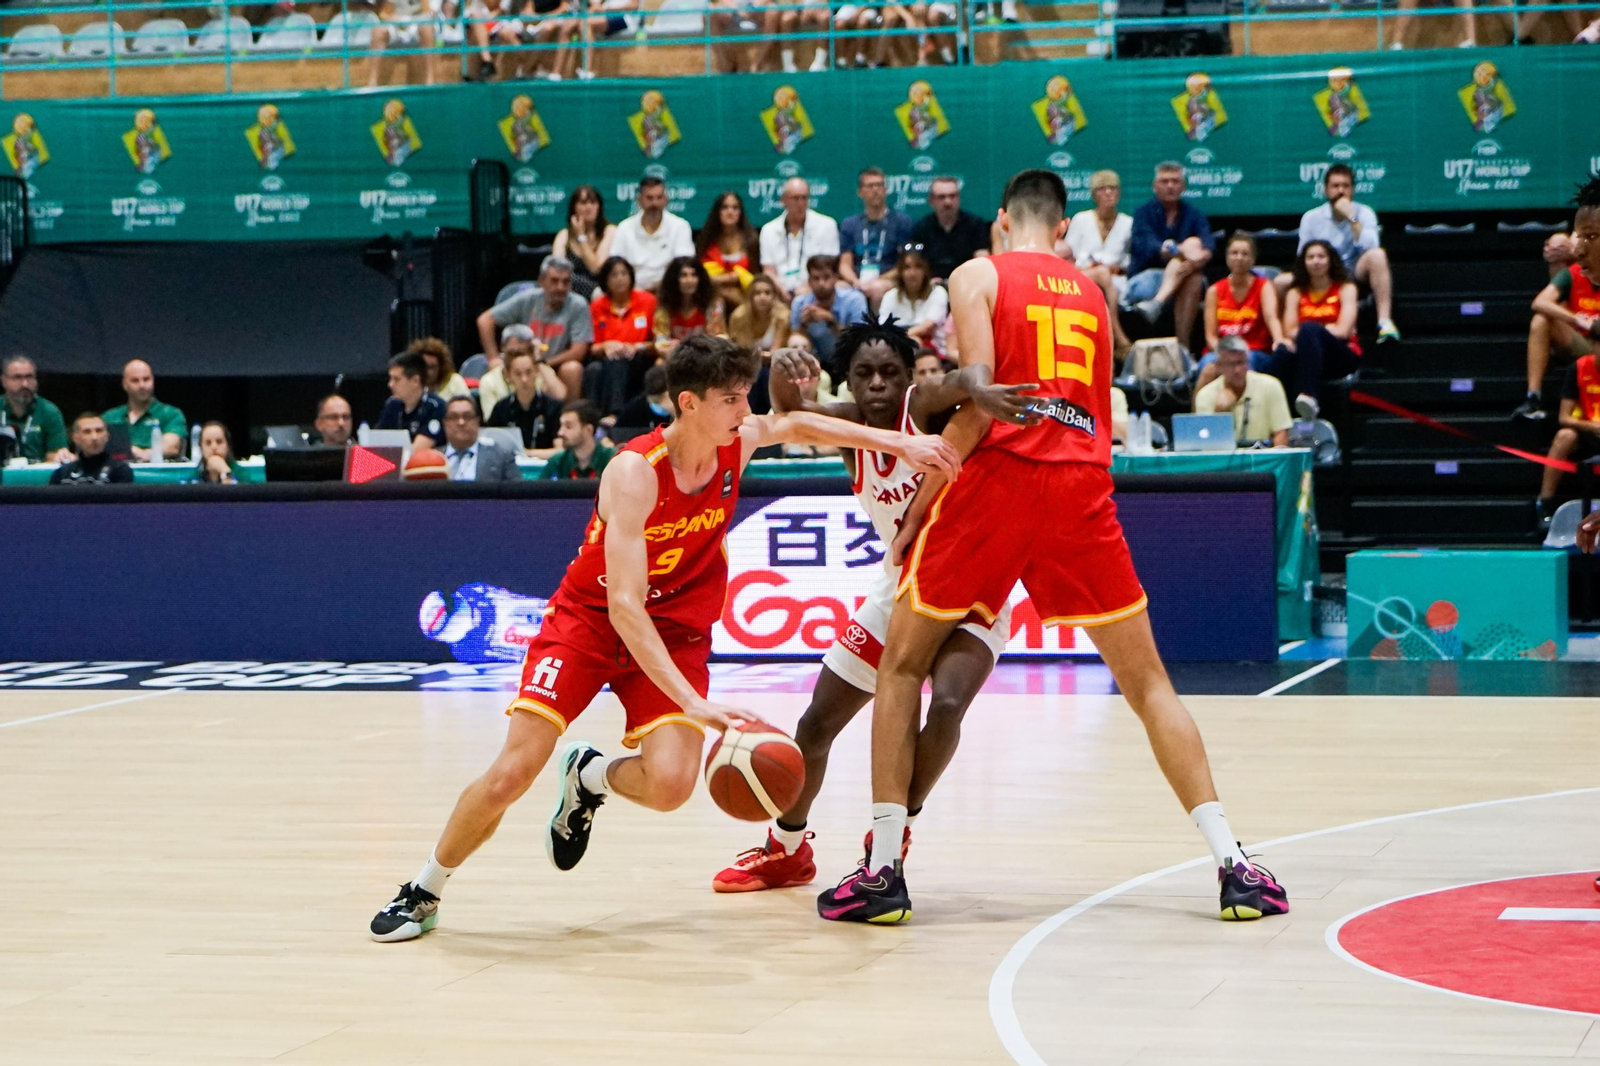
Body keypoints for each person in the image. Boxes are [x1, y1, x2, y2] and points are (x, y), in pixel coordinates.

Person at [366, 334, 960, 944]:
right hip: (590, 622)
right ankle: (424, 888)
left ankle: (590, 778)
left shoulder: (738, 442)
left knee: (672, 785)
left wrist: (899, 441)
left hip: (675, 631)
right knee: (512, 772)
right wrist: (697, 704)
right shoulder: (633, 472)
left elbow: (796, 422)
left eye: (744, 397)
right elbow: (624, 606)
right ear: (688, 404)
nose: (744, 411)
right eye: (731, 399)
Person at [826, 168, 1287, 925]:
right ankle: (1235, 864)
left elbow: (977, 396)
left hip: (999, 482)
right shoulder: (1092, 294)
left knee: (901, 664)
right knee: (1149, 686)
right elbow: (1091, 410)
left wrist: (919, 508)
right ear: (1066, 229)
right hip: (1080, 487)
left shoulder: (977, 271)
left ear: (1002, 221)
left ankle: (882, 872)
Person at [712, 319, 1034, 893]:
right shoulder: (852, 425)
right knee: (815, 723)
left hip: (971, 589)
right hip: (897, 591)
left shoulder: (925, 405)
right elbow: (791, 414)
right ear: (849, 383)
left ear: (909, 376)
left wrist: (979, 384)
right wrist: (784, 369)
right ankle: (786, 849)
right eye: (864, 375)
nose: (879, 384)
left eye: (890, 372)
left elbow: (963, 383)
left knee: (949, 704)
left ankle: (893, 832)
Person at [1515, 177, 1600, 422]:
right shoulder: (1575, 273)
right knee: (1542, 320)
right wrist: (1578, 320)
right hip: (1584, 343)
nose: (1581, 250)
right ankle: (1533, 398)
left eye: (1591, 237)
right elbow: (1540, 302)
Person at [1289, 164, 1399, 345]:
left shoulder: (1365, 213)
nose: (1341, 191)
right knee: (1280, 282)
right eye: (1335, 186)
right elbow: (1302, 256)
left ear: (1353, 190)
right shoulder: (1311, 217)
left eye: (1346, 186)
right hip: (1322, 273)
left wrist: (1352, 218)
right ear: (1325, 190)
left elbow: (1371, 246)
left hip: (1353, 271)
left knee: (1378, 256)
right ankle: (1283, 335)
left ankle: (1384, 322)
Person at [1125, 163, 1213, 352]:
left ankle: (1180, 345)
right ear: (1155, 186)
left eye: (1175, 181)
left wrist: (1194, 259)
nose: (1170, 186)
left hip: (1184, 278)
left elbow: (1208, 247)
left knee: (1195, 276)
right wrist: (1185, 253)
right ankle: (1183, 346)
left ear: (1183, 186)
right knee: (1188, 255)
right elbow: (1152, 248)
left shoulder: (1194, 214)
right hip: (1147, 279)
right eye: (1165, 181)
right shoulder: (1143, 212)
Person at [1270, 239, 1361, 420]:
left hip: (1340, 355)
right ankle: (1278, 416)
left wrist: (1314, 332)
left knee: (1309, 328)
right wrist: (1326, 328)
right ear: (1304, 262)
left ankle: (1310, 397)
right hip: (1308, 354)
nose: (1316, 261)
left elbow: (1343, 331)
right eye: (1310, 257)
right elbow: (1289, 331)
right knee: (1282, 354)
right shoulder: (1295, 292)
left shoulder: (1346, 288)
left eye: (1321, 256)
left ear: (1330, 260)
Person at [478, 255, 593, 397]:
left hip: (555, 365)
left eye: (566, 282)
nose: (560, 287)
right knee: (505, 368)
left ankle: (570, 416)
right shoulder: (528, 299)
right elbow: (485, 320)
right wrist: (493, 358)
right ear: (542, 281)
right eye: (554, 281)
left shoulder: (578, 305)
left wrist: (543, 363)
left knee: (573, 368)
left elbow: (579, 351)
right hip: (523, 366)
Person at [1196, 232, 1283, 392]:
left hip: (1254, 350)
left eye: (1245, 254)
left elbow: (1272, 318)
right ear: (1227, 257)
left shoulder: (1264, 286)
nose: (1239, 258)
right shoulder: (1214, 291)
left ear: (1253, 259)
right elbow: (1211, 337)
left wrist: (1279, 339)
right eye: (1234, 253)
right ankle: (1199, 414)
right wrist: (1226, 355)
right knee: (1208, 367)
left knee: (1243, 366)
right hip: (1221, 351)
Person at [1063, 170, 1133, 356]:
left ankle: (1111, 342)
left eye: (1113, 188)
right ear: (1094, 195)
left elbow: (1130, 259)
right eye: (1103, 189)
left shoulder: (1128, 223)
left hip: (1115, 281)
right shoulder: (1081, 219)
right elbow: (1067, 255)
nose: (1109, 193)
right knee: (1101, 274)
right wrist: (1088, 267)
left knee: (1105, 277)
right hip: (1082, 274)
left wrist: (1119, 267)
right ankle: (1119, 338)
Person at [586, 255, 659, 417]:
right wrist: (606, 346)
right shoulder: (597, 306)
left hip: (640, 358)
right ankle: (591, 417)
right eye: (614, 275)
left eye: (624, 274)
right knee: (594, 369)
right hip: (607, 360)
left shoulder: (648, 301)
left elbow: (658, 341)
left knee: (618, 362)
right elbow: (592, 347)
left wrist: (635, 347)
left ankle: (615, 414)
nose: (620, 279)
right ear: (605, 280)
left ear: (631, 277)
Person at [1194, 337, 1292, 447]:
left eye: (1241, 363)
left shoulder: (1270, 386)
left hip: (1263, 460)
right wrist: (1219, 413)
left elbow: (1281, 434)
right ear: (1219, 367)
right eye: (1231, 364)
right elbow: (1205, 446)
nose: (1237, 370)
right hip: (1223, 462)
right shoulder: (1206, 396)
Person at [839, 168, 914, 310]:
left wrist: (877, 280)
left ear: (886, 190)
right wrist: (855, 282)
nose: (875, 190)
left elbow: (904, 264)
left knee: (877, 289)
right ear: (860, 192)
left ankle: (875, 332)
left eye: (879, 185)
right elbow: (844, 264)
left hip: (888, 279)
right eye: (870, 186)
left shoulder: (901, 222)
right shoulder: (850, 224)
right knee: (838, 288)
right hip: (857, 279)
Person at [609, 175, 695, 292]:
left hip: (669, 291)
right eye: (649, 198)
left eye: (659, 197)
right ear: (639, 200)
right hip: (631, 292)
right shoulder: (624, 228)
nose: (655, 203)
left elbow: (683, 266)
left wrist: (654, 290)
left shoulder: (680, 226)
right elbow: (615, 265)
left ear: (666, 199)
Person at [760, 177, 841, 298]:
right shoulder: (769, 230)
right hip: (779, 292)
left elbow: (830, 267)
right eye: (795, 198)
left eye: (804, 198)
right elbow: (768, 271)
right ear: (783, 200)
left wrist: (807, 288)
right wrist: (783, 292)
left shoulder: (827, 225)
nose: (800, 203)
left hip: (816, 290)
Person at [909, 176, 990, 285]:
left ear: (959, 198)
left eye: (952, 196)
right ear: (931, 201)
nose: (948, 202)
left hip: (967, 283)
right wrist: (925, 282)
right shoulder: (921, 227)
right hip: (930, 286)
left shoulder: (975, 224)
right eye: (941, 197)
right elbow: (915, 262)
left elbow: (982, 258)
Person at [790, 255, 869, 364]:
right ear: (809, 281)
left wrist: (831, 320)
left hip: (850, 361)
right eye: (816, 278)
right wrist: (803, 326)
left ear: (836, 278)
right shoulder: (799, 303)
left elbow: (860, 341)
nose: (821, 283)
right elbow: (795, 340)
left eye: (826, 277)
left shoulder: (855, 300)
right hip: (815, 363)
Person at [104, 358, 185, 462]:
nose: (142, 385)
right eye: (135, 381)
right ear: (124, 384)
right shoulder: (109, 417)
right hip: (117, 475)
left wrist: (138, 453)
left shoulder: (171, 414)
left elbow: (171, 447)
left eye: (146, 379)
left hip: (156, 474)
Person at [487, 346, 566, 452]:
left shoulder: (553, 407)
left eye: (529, 372)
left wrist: (528, 454)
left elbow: (560, 451)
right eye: (518, 374)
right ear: (508, 376)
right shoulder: (500, 409)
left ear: (537, 372)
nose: (524, 379)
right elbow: (491, 448)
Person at [0, 354, 69, 463]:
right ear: (3, 381)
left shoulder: (49, 411)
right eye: (17, 377)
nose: (25, 384)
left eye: (29, 377)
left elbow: (55, 454)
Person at [697, 192, 760, 311]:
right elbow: (700, 276)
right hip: (712, 295)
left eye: (735, 208)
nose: (730, 212)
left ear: (740, 212)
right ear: (717, 212)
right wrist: (732, 277)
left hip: (746, 295)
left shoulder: (751, 240)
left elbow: (757, 277)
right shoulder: (706, 240)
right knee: (717, 293)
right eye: (725, 207)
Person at [551, 186, 616, 299]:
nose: (588, 207)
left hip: (601, 293)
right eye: (583, 203)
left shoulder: (610, 231)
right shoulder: (564, 235)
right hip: (569, 295)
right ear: (574, 207)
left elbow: (595, 268)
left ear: (599, 207)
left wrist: (581, 236)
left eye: (593, 202)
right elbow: (557, 270)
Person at [876, 248, 947, 347]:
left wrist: (902, 337)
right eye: (907, 268)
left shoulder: (938, 293)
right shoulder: (890, 296)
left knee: (914, 342)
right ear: (900, 272)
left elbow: (927, 327)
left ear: (925, 270)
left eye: (918, 267)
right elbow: (883, 327)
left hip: (931, 347)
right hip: (895, 344)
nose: (912, 273)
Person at [655, 256, 726, 355]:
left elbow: (720, 337)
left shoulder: (712, 305)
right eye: (683, 276)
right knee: (659, 364)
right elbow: (660, 339)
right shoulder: (665, 307)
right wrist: (667, 347)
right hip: (676, 355)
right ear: (674, 279)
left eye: (694, 275)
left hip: (705, 354)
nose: (689, 280)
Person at [440, 396, 520, 481]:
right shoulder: (432, 459)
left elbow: (516, 492)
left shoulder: (502, 458)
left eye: (467, 416)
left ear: (477, 421)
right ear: (445, 423)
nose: (461, 422)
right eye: (453, 417)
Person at [377, 351, 447, 446]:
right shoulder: (392, 405)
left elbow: (416, 452)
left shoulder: (435, 407)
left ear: (415, 381)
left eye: (397, 379)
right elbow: (377, 443)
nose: (390, 384)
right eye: (390, 378)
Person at [49, 413, 134, 485]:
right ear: (75, 438)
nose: (94, 437)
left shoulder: (120, 471)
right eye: (87, 432)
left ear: (107, 436)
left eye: (99, 431)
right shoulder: (62, 474)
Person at [539, 400, 616, 480]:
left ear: (588, 430)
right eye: (561, 426)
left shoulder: (612, 459)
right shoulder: (556, 462)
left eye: (568, 426)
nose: (560, 433)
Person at [476, 325, 537, 416]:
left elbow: (561, 398)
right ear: (503, 347)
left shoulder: (540, 373)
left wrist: (539, 361)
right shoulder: (488, 381)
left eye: (523, 353)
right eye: (513, 353)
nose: (517, 359)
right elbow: (492, 421)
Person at [726, 274, 790, 354]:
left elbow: (776, 350)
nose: (762, 298)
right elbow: (745, 352)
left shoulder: (782, 315)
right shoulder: (739, 316)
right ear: (750, 297)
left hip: (774, 360)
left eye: (767, 293)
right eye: (757, 293)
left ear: (774, 296)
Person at [614, 363, 674, 431]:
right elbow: (614, 433)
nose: (662, 406)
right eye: (656, 402)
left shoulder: (682, 411)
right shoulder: (635, 407)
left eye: (663, 399)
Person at [409, 337, 470, 401]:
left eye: (432, 367)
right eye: (424, 367)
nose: (428, 372)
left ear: (441, 367)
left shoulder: (455, 381)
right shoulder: (409, 383)